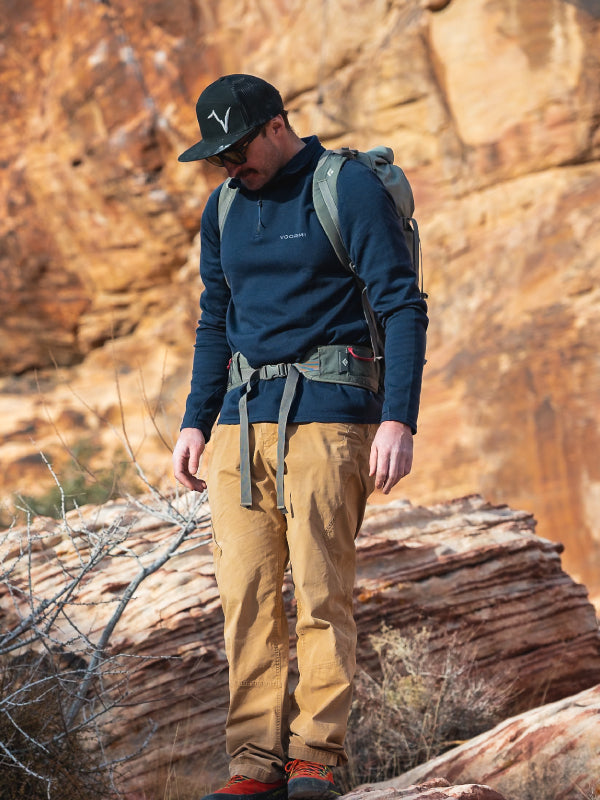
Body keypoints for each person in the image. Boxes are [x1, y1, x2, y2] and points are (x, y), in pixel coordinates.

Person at [173, 74, 428, 800]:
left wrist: (397, 419)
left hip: (328, 419)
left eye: (238, 148)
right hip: (240, 426)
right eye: (218, 155)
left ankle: (316, 756)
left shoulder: (344, 187)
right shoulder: (221, 208)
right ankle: (254, 763)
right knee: (246, 598)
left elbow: (403, 305)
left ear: (277, 126)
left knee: (321, 595)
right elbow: (213, 320)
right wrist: (196, 418)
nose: (230, 166)